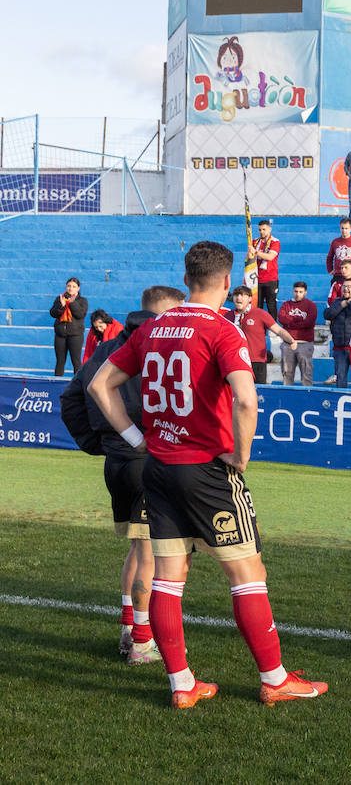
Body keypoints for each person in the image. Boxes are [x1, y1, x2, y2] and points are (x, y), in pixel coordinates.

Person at [88, 241, 327, 709]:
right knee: (246, 571)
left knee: (169, 578)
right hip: (207, 469)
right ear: (224, 281)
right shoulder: (223, 331)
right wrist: (240, 455)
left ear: (187, 277)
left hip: (158, 466)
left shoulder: (153, 328)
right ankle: (274, 679)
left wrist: (138, 441)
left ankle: (181, 684)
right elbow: (245, 399)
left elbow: (100, 385)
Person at [60, 285, 185, 665]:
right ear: (166, 311)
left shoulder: (107, 346)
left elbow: (71, 398)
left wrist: (98, 442)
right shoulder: (163, 345)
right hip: (148, 460)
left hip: (116, 462)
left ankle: (129, 627)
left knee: (137, 545)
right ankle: (142, 642)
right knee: (153, 551)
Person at [225, 286, 297, 384]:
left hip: (256, 361)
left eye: (243, 295)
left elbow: (278, 330)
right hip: (235, 361)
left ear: (250, 298)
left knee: (257, 393)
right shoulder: (228, 316)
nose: (239, 298)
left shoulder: (259, 313)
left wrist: (291, 340)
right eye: (236, 295)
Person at [324, 279, 351, 386]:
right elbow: (327, 314)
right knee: (340, 379)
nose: (346, 289)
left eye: (349, 286)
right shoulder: (338, 301)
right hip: (339, 348)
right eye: (344, 286)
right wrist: (342, 305)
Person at [276, 282, 317, 386]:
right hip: (287, 344)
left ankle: (307, 398)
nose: (298, 294)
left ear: (305, 292)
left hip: (305, 343)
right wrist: (298, 320)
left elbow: (309, 322)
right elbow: (281, 318)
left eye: (300, 292)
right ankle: (287, 398)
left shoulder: (311, 305)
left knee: (306, 374)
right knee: (286, 373)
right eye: (296, 291)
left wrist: (290, 323)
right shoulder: (286, 305)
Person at [51, 277, 88, 376]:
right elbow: (53, 313)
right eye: (69, 286)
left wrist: (72, 303)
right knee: (60, 361)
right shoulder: (60, 299)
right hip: (60, 334)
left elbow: (80, 314)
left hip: (75, 335)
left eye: (73, 286)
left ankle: (78, 386)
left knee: (76, 361)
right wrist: (61, 306)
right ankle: (57, 384)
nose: (70, 288)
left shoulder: (82, 301)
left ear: (78, 288)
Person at [249, 219, 281, 317]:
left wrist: (256, 252)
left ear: (269, 229)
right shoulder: (255, 242)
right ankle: (258, 328)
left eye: (264, 229)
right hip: (257, 279)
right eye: (260, 230)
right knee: (257, 306)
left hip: (270, 278)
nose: (262, 232)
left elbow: (270, 257)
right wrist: (250, 252)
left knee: (271, 305)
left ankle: (273, 331)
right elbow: (250, 257)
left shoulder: (275, 242)